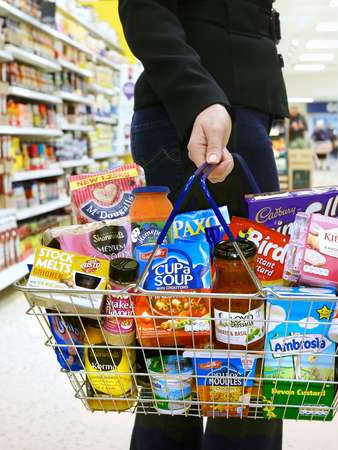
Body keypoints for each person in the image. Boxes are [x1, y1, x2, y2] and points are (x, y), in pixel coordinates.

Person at [118, 1, 288, 449]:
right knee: (206, 336)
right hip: (198, 115)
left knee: (199, 337)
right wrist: (199, 97)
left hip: (226, 111)